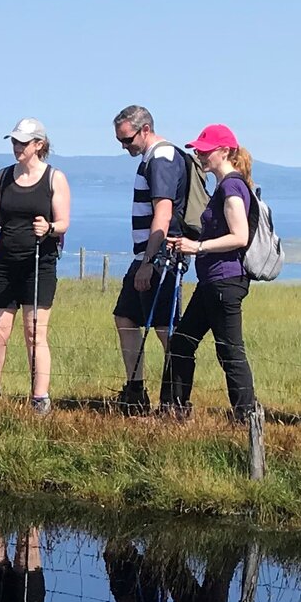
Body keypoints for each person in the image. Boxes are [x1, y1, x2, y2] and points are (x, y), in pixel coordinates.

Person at [161, 125, 260, 423]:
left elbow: (239, 236)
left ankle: (246, 417)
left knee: (229, 351)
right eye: (199, 151)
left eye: (206, 151)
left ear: (225, 151)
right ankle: (174, 409)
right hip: (213, 281)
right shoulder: (227, 185)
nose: (201, 155)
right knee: (182, 342)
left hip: (224, 281)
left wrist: (198, 246)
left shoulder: (231, 187)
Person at [0, 120, 71, 413]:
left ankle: (39, 398)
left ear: (39, 145)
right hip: (4, 262)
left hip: (39, 263)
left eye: (23, 143)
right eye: (14, 142)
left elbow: (63, 222)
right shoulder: (3, 176)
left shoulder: (54, 178)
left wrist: (49, 227)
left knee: (34, 333)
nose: (17, 147)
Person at [109, 106, 189, 413]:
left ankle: (176, 400)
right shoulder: (151, 158)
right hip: (147, 255)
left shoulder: (162, 158)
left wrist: (149, 262)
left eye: (127, 139)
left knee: (165, 328)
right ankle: (136, 391)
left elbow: (163, 214)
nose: (123, 147)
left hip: (159, 257)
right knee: (125, 317)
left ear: (145, 130)